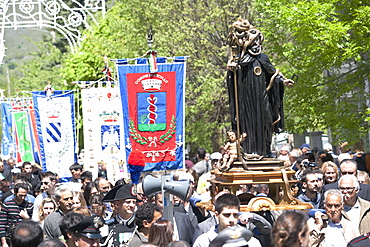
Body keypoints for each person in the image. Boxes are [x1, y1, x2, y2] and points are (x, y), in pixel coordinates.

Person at [227, 19, 294, 157]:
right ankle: (249, 151)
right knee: (247, 124)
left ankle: (265, 150)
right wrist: (232, 71)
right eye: (254, 41)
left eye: (258, 41)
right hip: (246, 100)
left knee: (266, 121)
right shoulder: (239, 60)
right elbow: (232, 80)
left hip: (262, 98)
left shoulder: (263, 58)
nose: (257, 44)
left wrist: (283, 81)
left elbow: (273, 74)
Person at [193, 193, 262, 247]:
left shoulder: (251, 243)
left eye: (235, 215)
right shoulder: (203, 242)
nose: (231, 220)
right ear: (217, 215)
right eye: (227, 215)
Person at [0, 182, 34, 247]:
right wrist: (4, 242)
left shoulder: (29, 205)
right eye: (20, 195)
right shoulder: (7, 205)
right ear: (15, 193)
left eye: (25, 195)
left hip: (25, 239)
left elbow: (35, 224)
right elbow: (2, 224)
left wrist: (27, 218)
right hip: (10, 238)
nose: (23, 198)